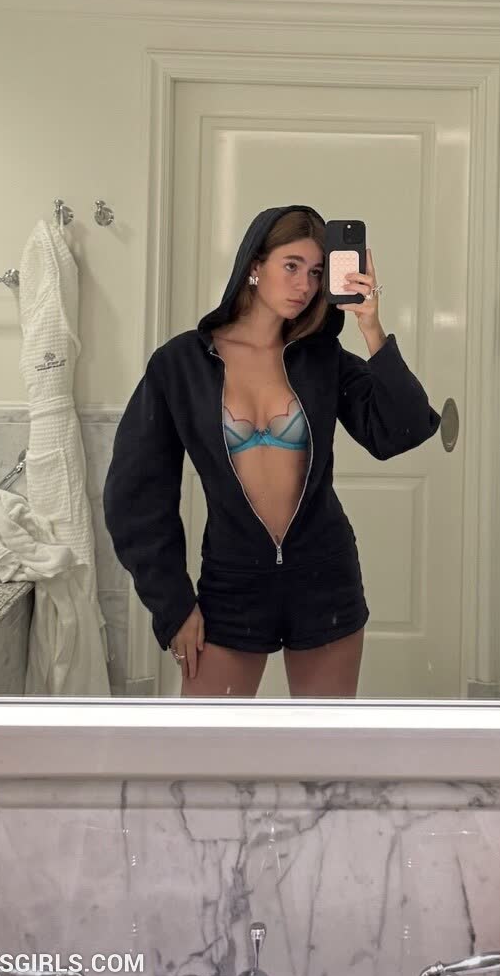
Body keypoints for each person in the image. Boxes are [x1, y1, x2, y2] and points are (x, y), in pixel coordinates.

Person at [104, 204, 441, 698]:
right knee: (208, 743)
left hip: (325, 577)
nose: (304, 285)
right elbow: (136, 495)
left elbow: (401, 431)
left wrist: (371, 327)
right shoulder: (181, 364)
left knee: (323, 742)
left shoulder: (321, 358)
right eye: (291, 266)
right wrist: (173, 605)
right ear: (255, 266)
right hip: (232, 582)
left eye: (317, 273)